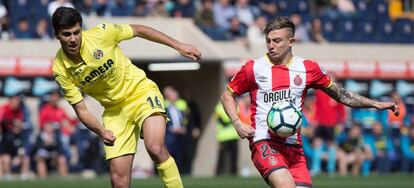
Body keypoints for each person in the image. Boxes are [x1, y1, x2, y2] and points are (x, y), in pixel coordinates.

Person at [220, 16, 399, 188]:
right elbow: (227, 95)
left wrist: (376, 104)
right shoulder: (254, 68)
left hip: (294, 147)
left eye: (277, 41)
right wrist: (237, 124)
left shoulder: (308, 69)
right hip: (264, 141)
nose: (271, 46)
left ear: (291, 42)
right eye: (268, 41)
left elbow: (342, 95)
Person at [51, 7, 201, 188]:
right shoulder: (60, 69)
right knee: (118, 182)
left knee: (155, 147)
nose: (73, 39)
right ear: (56, 35)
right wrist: (101, 131)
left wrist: (179, 46)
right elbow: (81, 110)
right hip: (114, 111)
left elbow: (139, 30)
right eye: (67, 34)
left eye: (76, 32)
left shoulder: (102, 34)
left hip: (140, 93)